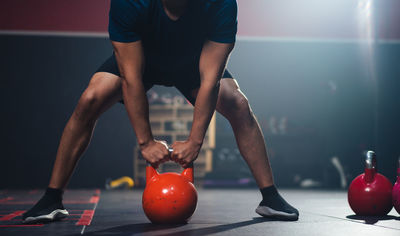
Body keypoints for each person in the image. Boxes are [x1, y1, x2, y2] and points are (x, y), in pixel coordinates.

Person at [23, 0, 299, 223]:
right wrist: (145, 142)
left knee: (238, 104)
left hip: (194, 63)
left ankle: (270, 197)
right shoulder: (129, 3)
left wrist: (194, 141)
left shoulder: (221, 4)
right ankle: (52, 198)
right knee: (90, 99)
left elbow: (210, 81)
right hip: (143, 61)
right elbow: (132, 78)